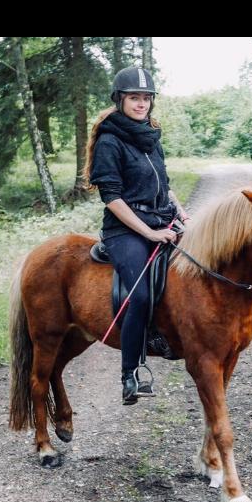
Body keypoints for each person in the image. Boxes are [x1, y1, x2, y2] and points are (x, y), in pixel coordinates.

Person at [85, 66, 189, 405]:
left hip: (161, 219)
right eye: (134, 98)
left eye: (146, 98)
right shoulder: (110, 141)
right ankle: (131, 372)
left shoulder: (150, 134)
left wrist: (180, 211)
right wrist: (150, 232)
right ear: (120, 99)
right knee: (140, 295)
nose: (141, 104)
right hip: (125, 231)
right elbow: (112, 197)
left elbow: (163, 184)